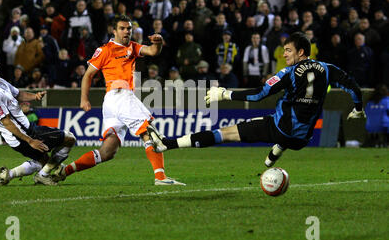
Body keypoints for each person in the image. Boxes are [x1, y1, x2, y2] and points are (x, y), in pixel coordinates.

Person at [147, 32, 366, 168]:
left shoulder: (288, 73)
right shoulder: (328, 69)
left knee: (225, 133)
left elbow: (259, 95)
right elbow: (352, 86)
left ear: (301, 52)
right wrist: (357, 108)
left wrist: (224, 94)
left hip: (280, 129)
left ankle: (168, 144)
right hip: (303, 139)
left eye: (288, 51)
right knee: (293, 126)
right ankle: (276, 152)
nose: (285, 55)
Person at [52, 15, 185, 186]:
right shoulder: (105, 50)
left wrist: (158, 43)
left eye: (129, 28)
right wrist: (84, 99)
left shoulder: (133, 47)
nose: (126, 31)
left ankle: (64, 171)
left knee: (107, 152)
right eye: (122, 28)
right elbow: (88, 75)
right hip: (120, 97)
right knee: (149, 132)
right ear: (114, 31)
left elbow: (152, 51)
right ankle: (160, 178)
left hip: (114, 103)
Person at [0, 56, 76, 186]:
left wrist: (34, 96)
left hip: (28, 129)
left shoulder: (0, 82)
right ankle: (43, 175)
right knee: (69, 138)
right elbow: (6, 122)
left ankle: (9, 175)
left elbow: (18, 94)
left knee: (43, 160)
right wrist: (30, 141)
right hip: (22, 135)